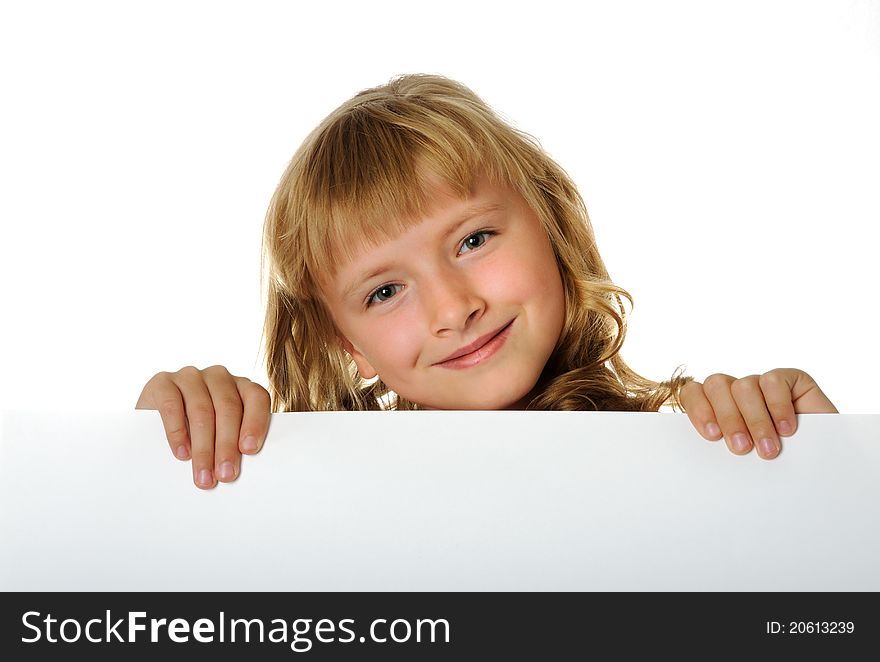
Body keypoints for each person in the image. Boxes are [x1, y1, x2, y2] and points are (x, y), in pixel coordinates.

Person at [136, 74, 838, 489]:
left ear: (552, 224)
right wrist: (160, 447)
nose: (454, 308)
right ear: (345, 343)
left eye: (473, 240)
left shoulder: (694, 457)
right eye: (384, 291)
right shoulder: (308, 488)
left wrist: (819, 465)